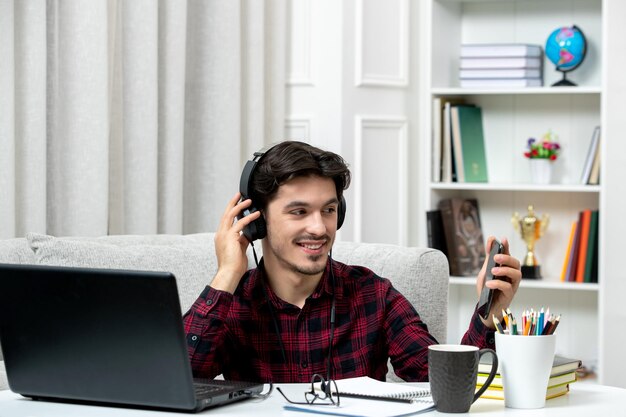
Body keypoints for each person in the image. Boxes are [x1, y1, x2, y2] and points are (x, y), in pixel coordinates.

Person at [183, 141, 521, 383]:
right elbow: (180, 381)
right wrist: (227, 272)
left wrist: (487, 316)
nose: (319, 228)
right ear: (255, 220)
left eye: (328, 210)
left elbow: (443, 379)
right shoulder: (231, 303)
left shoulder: (373, 295)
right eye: (299, 211)